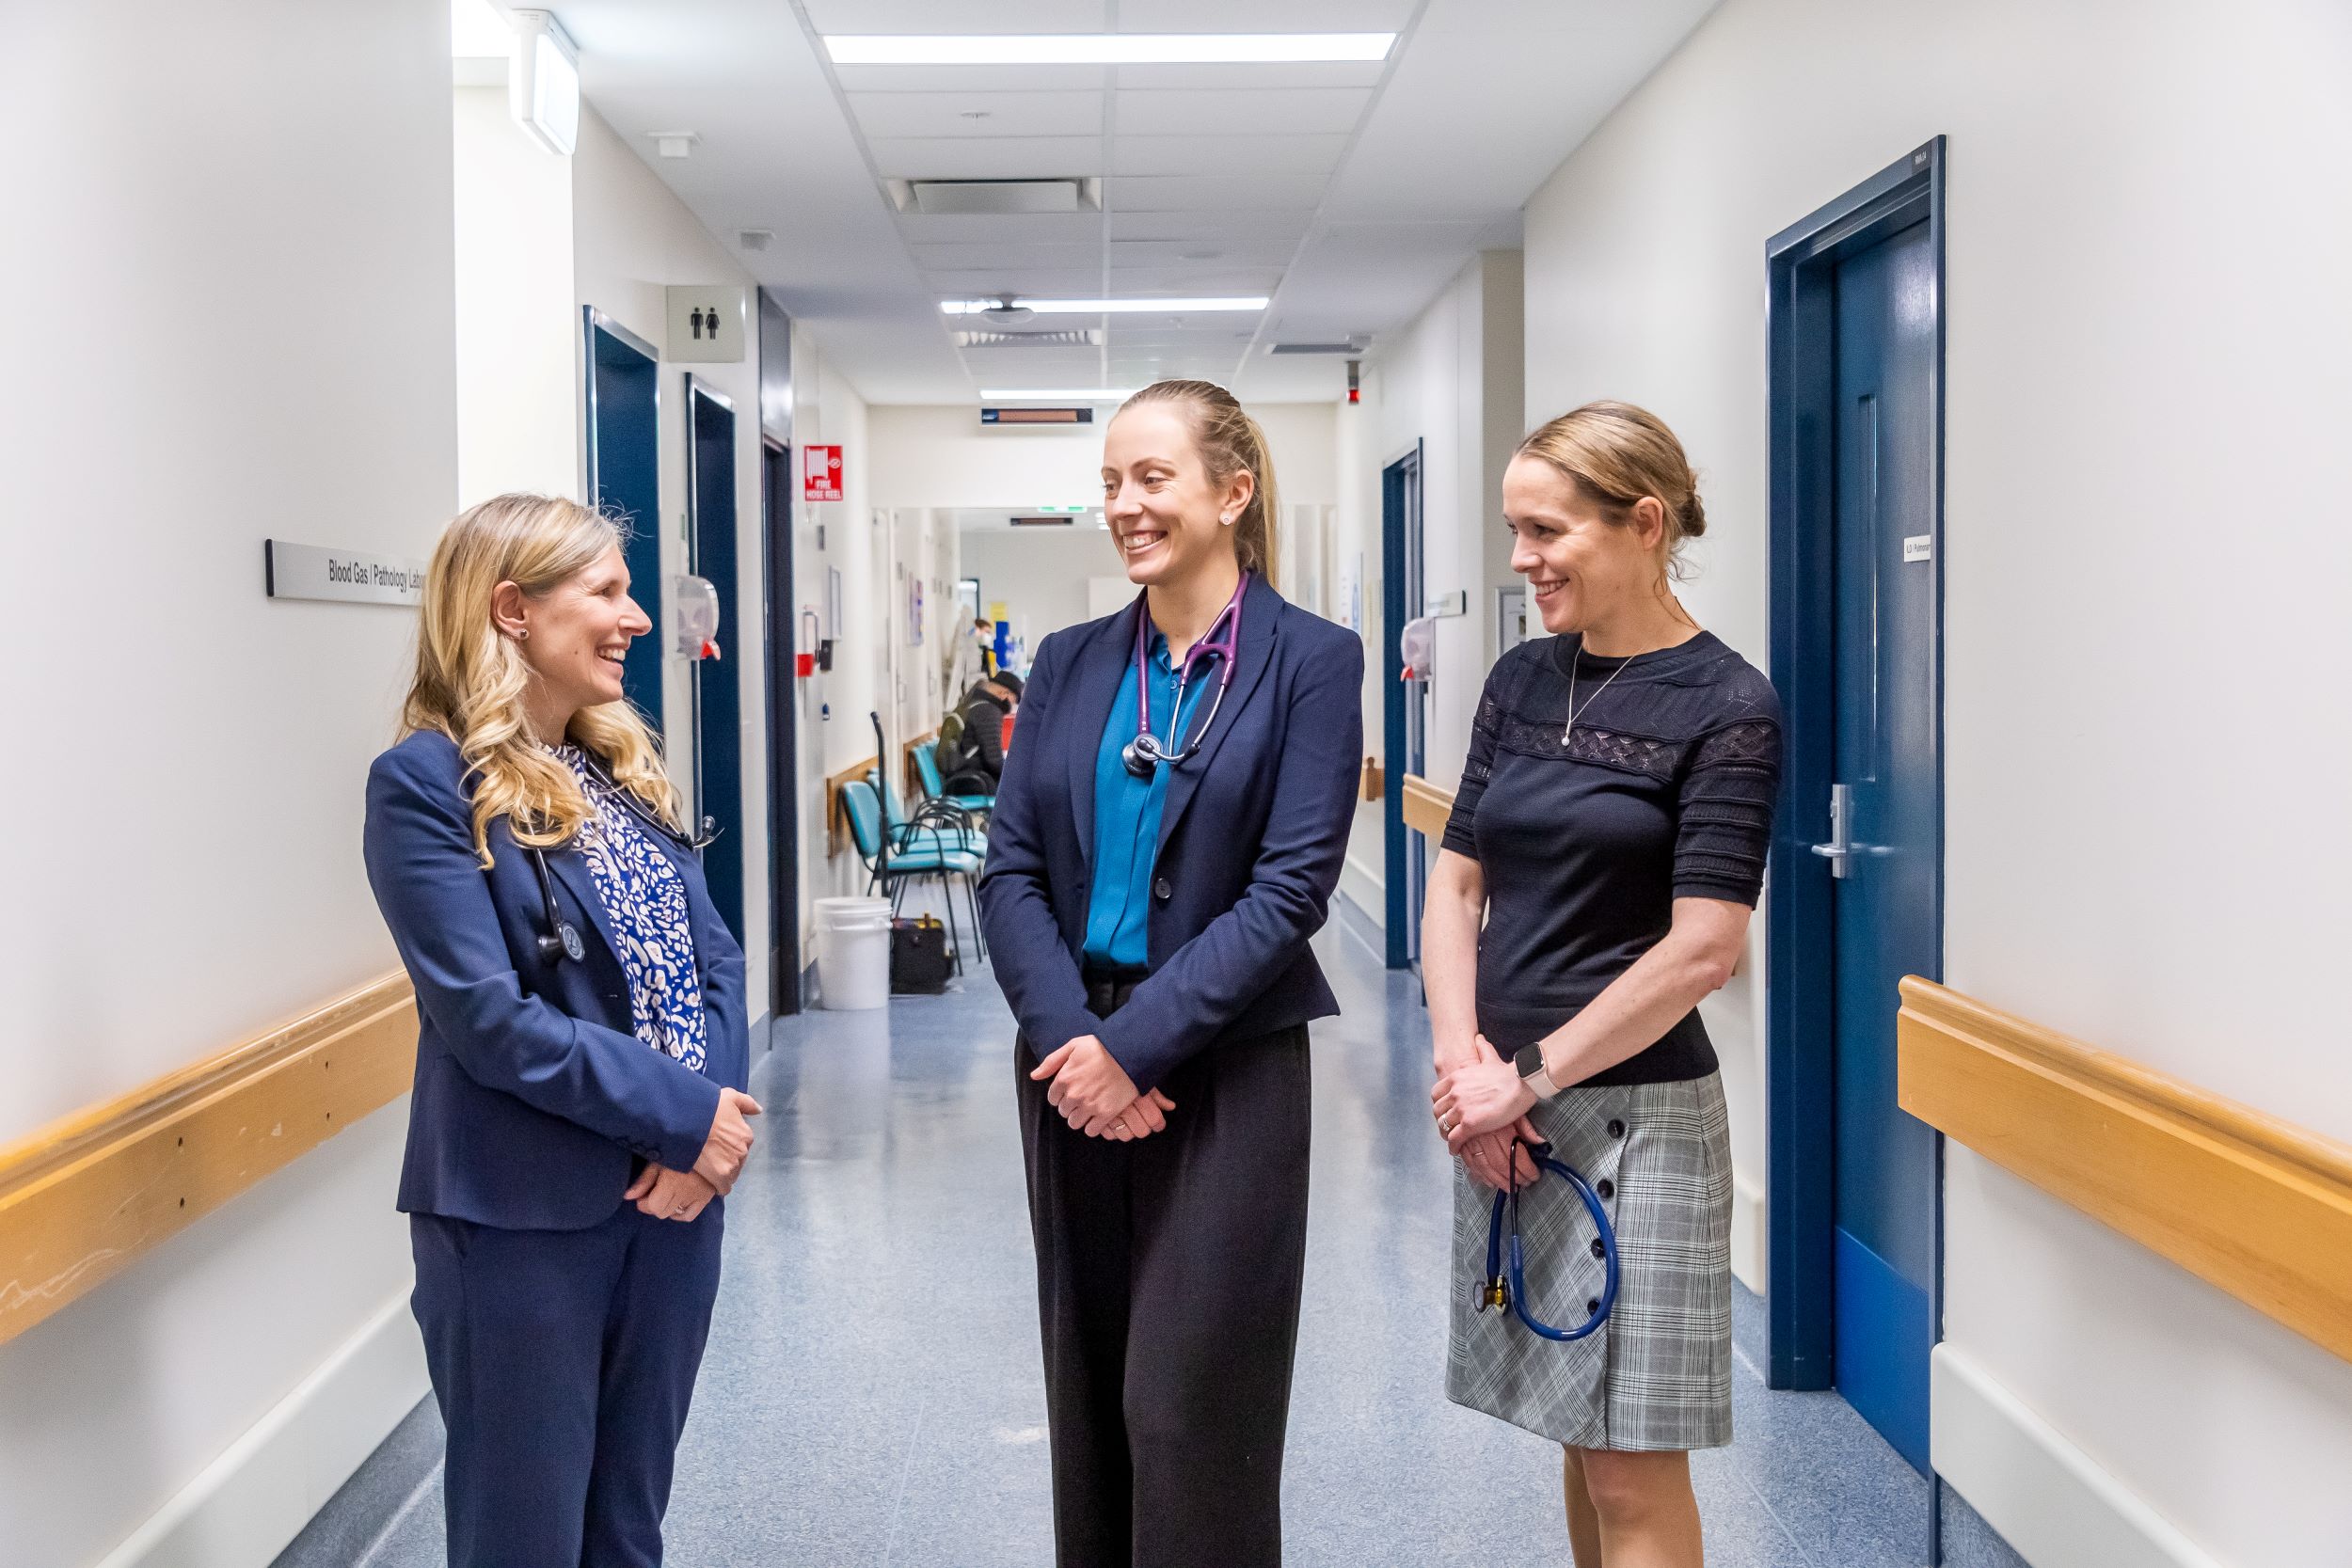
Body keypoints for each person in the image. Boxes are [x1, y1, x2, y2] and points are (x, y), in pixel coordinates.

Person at [979, 379, 1363, 1567]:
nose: (1124, 506)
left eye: (1152, 479)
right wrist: (1070, 1044)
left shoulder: (1311, 661)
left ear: (1232, 491)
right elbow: (1009, 873)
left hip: (1224, 1071)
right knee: (1091, 1399)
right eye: (1109, 483)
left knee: (1192, 1411)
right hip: (1066, 1067)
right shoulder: (1071, 662)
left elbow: (1290, 889)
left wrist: (1134, 1048)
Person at [362, 494, 763, 1568]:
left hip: (673, 1213)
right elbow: (491, 1022)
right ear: (510, 609)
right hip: (521, 1220)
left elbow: (711, 958)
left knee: (626, 1526)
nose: (635, 616)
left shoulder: (615, 766)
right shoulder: (425, 784)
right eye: (606, 591)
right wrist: (686, 1121)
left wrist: (707, 1145)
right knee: (523, 1536)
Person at [1426, 403, 1782, 1568]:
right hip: (1503, 1109)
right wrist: (1463, 1066)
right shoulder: (1523, 677)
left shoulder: (1727, 705)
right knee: (1575, 1435)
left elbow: (1700, 951)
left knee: (1632, 1464)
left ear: (1643, 522)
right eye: (1513, 530)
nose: (1520, 558)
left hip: (1641, 1120)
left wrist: (1520, 1078)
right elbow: (1456, 884)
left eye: (1544, 530)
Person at [942, 671, 1022, 791]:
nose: (1011, 707)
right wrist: (1019, 776)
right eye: (1013, 701)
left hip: (959, 779)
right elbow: (994, 761)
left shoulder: (971, 703)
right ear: (1004, 694)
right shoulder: (988, 711)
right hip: (972, 783)